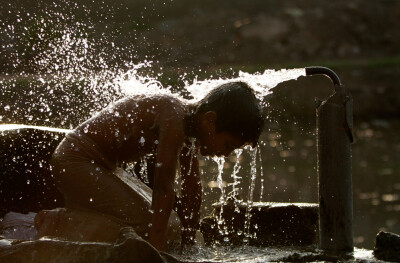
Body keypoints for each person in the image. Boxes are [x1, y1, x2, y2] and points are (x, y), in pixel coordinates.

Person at [49, 81, 264, 251]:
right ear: (210, 120)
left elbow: (192, 189)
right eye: (228, 145)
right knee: (153, 226)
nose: (226, 154)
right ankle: (57, 222)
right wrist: (156, 256)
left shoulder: (192, 126)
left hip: (104, 168)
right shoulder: (173, 117)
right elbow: (163, 189)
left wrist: (188, 243)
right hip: (76, 160)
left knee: (171, 227)